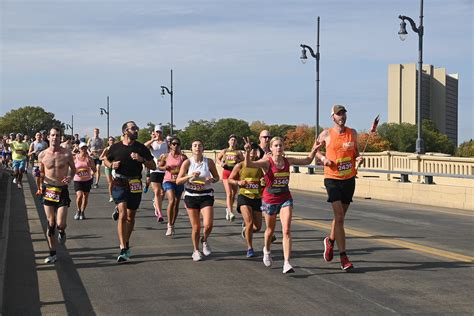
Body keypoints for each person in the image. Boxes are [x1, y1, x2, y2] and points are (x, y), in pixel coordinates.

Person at [243, 136, 321, 273]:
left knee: (286, 230)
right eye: (276, 146)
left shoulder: (288, 161)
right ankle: (266, 250)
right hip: (269, 200)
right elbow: (249, 165)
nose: (279, 148)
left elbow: (307, 160)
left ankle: (286, 263)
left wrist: (314, 150)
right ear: (271, 149)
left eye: (281, 145)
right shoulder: (267, 162)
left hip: (285, 198)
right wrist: (248, 152)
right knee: (270, 230)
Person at [316, 105, 363, 272]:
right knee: (340, 217)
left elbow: (355, 153)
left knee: (340, 218)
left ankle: (330, 240)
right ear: (333, 117)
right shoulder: (326, 134)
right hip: (332, 179)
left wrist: (358, 159)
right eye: (338, 114)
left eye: (343, 114)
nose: (341, 117)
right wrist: (323, 159)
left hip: (349, 179)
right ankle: (344, 258)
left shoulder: (353, 133)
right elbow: (315, 151)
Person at [104, 121, 155, 262]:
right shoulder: (115, 147)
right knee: (123, 214)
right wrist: (112, 165)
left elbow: (153, 164)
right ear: (125, 131)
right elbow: (106, 161)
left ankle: (126, 242)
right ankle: (123, 248)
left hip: (135, 182)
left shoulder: (141, 148)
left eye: (136, 128)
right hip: (120, 182)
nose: (136, 130)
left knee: (131, 216)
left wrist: (141, 159)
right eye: (133, 128)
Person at [176, 139, 219, 261]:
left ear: (203, 148)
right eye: (195, 146)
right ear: (191, 149)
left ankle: (204, 240)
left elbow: (217, 177)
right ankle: (195, 250)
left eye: (200, 145)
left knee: (208, 224)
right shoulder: (187, 163)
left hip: (206, 195)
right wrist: (190, 176)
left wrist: (212, 180)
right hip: (191, 196)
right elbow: (178, 181)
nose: (197, 147)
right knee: (196, 227)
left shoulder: (209, 162)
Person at [38, 127, 76, 263]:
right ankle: (52, 253)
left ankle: (62, 231)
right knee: (51, 222)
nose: (55, 138)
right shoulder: (42, 155)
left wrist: (70, 177)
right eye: (52, 135)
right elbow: (41, 172)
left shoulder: (67, 154)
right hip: (48, 189)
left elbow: (74, 169)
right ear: (48, 137)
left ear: (61, 138)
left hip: (61, 190)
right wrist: (38, 175)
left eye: (57, 135)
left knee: (61, 223)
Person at [228, 142, 264, 258]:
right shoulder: (240, 165)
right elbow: (230, 179)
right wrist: (239, 182)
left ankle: (245, 231)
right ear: (246, 152)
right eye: (251, 150)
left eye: (255, 150)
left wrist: (263, 182)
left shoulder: (260, 165)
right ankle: (250, 248)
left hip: (256, 197)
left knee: (257, 227)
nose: (253, 152)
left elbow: (265, 180)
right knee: (249, 223)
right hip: (244, 197)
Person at [159, 136, 187, 236]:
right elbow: (159, 166)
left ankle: (172, 224)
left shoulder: (183, 157)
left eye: (177, 144)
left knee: (176, 204)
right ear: (170, 145)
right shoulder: (165, 156)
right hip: (168, 181)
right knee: (172, 200)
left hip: (179, 182)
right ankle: (169, 225)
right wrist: (165, 167)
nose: (175, 145)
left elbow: (188, 167)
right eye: (173, 144)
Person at [217, 134, 244, 221]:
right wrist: (221, 163)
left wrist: (238, 161)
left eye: (234, 140)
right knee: (229, 193)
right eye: (231, 140)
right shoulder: (224, 151)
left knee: (234, 194)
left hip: (235, 174)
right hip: (226, 173)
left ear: (236, 142)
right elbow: (218, 158)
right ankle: (231, 212)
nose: (233, 141)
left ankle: (228, 209)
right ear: (228, 141)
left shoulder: (238, 152)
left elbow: (244, 162)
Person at [144, 124, 168, 222]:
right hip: (154, 169)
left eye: (160, 132)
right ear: (154, 132)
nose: (158, 134)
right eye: (157, 132)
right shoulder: (152, 143)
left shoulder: (166, 143)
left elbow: (172, 151)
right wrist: (153, 140)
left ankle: (156, 204)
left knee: (162, 192)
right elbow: (144, 146)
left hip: (164, 169)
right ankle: (159, 213)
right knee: (157, 191)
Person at [73, 142, 96, 220]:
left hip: (87, 180)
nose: (84, 149)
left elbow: (94, 169)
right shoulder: (75, 157)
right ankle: (78, 210)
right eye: (82, 148)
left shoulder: (89, 158)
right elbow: (71, 168)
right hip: (77, 179)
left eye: (85, 148)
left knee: (85, 197)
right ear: (79, 149)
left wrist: (91, 166)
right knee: (79, 196)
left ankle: (82, 212)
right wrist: (74, 171)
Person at [100, 136, 116, 202]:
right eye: (110, 140)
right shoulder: (106, 149)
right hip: (107, 167)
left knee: (116, 181)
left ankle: (116, 194)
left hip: (115, 167)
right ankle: (111, 196)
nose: (111, 141)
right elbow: (100, 158)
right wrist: (105, 158)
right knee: (110, 182)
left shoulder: (116, 148)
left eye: (112, 140)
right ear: (108, 142)